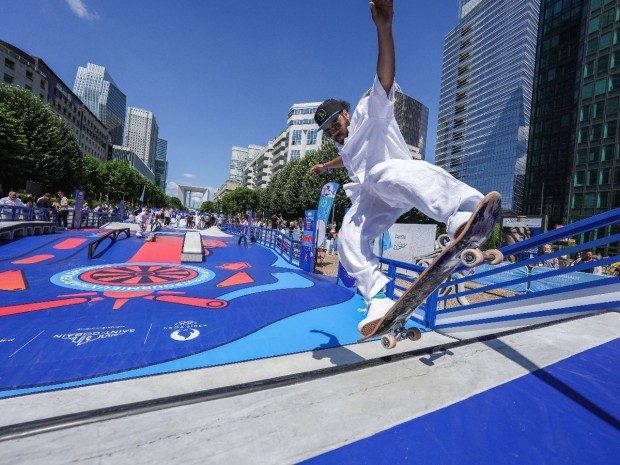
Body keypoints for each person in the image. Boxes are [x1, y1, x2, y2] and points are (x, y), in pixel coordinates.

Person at [309, 0, 487, 337]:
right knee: (348, 235)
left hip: (398, 179)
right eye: (329, 130)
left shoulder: (367, 111)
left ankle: (462, 210)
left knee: (382, 173)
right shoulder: (344, 148)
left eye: (335, 123)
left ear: (345, 114)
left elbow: (384, 77)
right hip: (372, 199)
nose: (335, 131)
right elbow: (344, 158)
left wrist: (384, 28)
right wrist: (323, 166)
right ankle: (377, 295)